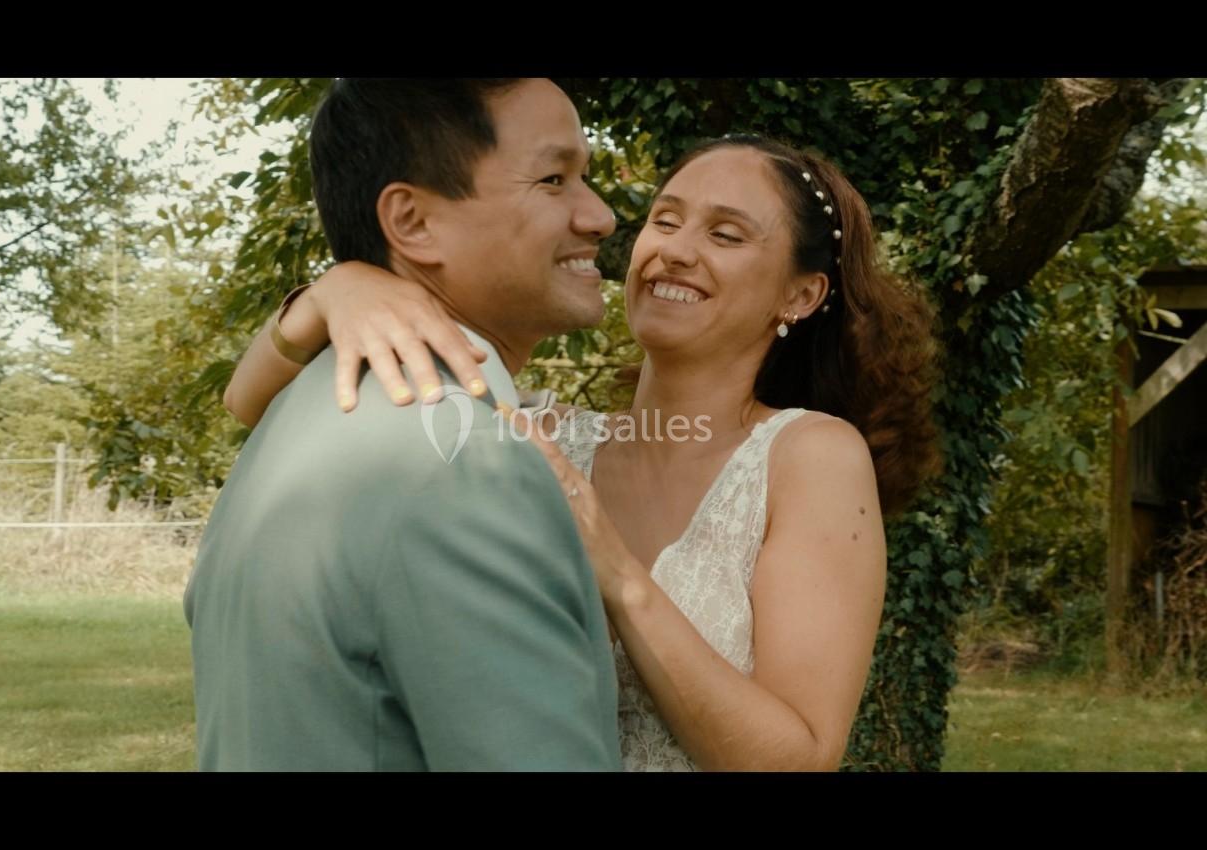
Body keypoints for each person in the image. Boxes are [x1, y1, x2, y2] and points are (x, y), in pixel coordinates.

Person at [228, 123, 942, 770]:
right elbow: (252, 404)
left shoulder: (810, 456)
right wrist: (335, 293)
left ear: (802, 295)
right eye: (665, 219)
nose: (674, 251)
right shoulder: (541, 435)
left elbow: (800, 759)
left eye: (726, 235)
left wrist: (620, 576)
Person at [184, 78, 623, 771]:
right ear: (414, 223)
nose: (600, 216)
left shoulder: (293, 423)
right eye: (553, 179)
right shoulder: (465, 462)